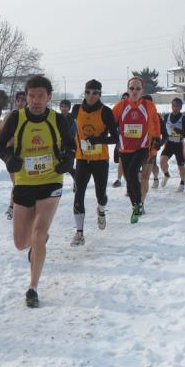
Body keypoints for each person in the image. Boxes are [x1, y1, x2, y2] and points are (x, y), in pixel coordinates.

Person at [0, 75, 74, 308]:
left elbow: (71, 146)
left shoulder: (57, 120)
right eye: (31, 96)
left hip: (50, 181)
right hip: (24, 183)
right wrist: (9, 158)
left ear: (49, 97)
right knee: (21, 243)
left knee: (38, 235)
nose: (36, 100)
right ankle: (40, 242)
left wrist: (67, 162)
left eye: (41, 96)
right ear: (25, 97)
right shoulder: (16, 119)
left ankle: (33, 288)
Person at [69, 79, 117, 246]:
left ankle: (101, 211)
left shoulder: (106, 112)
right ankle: (79, 233)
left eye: (95, 93)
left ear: (100, 94)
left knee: (100, 195)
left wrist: (99, 139)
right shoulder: (76, 109)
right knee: (78, 193)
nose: (91, 96)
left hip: (100, 160)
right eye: (88, 92)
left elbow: (116, 138)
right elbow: (70, 130)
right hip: (82, 159)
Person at [111, 77, 161, 223]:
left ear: (142, 91)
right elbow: (110, 122)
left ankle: (139, 203)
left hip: (143, 147)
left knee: (133, 172)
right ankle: (136, 206)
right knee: (129, 178)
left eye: (137, 88)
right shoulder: (120, 106)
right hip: (125, 148)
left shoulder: (148, 105)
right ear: (128, 90)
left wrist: (157, 137)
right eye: (132, 88)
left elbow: (156, 122)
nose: (134, 91)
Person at [0, 91, 27, 220]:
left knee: (27, 182)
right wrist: (9, 140)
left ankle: (21, 207)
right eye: (18, 100)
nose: (20, 103)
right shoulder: (10, 115)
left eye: (23, 100)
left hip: (29, 152)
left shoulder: (32, 115)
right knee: (17, 182)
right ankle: (12, 208)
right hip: (13, 154)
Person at [159, 97, 185, 192]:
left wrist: (180, 132)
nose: (175, 107)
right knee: (162, 161)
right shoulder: (166, 117)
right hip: (169, 143)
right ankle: (166, 174)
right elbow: (162, 130)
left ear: (181, 107)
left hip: (179, 145)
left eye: (177, 106)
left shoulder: (184, 119)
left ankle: (182, 182)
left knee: (181, 166)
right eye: (173, 105)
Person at [112, 92, 129, 188]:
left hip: (134, 142)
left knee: (130, 163)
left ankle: (132, 183)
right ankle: (119, 179)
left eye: (127, 99)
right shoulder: (118, 111)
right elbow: (113, 124)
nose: (125, 101)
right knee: (121, 159)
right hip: (122, 141)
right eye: (123, 99)